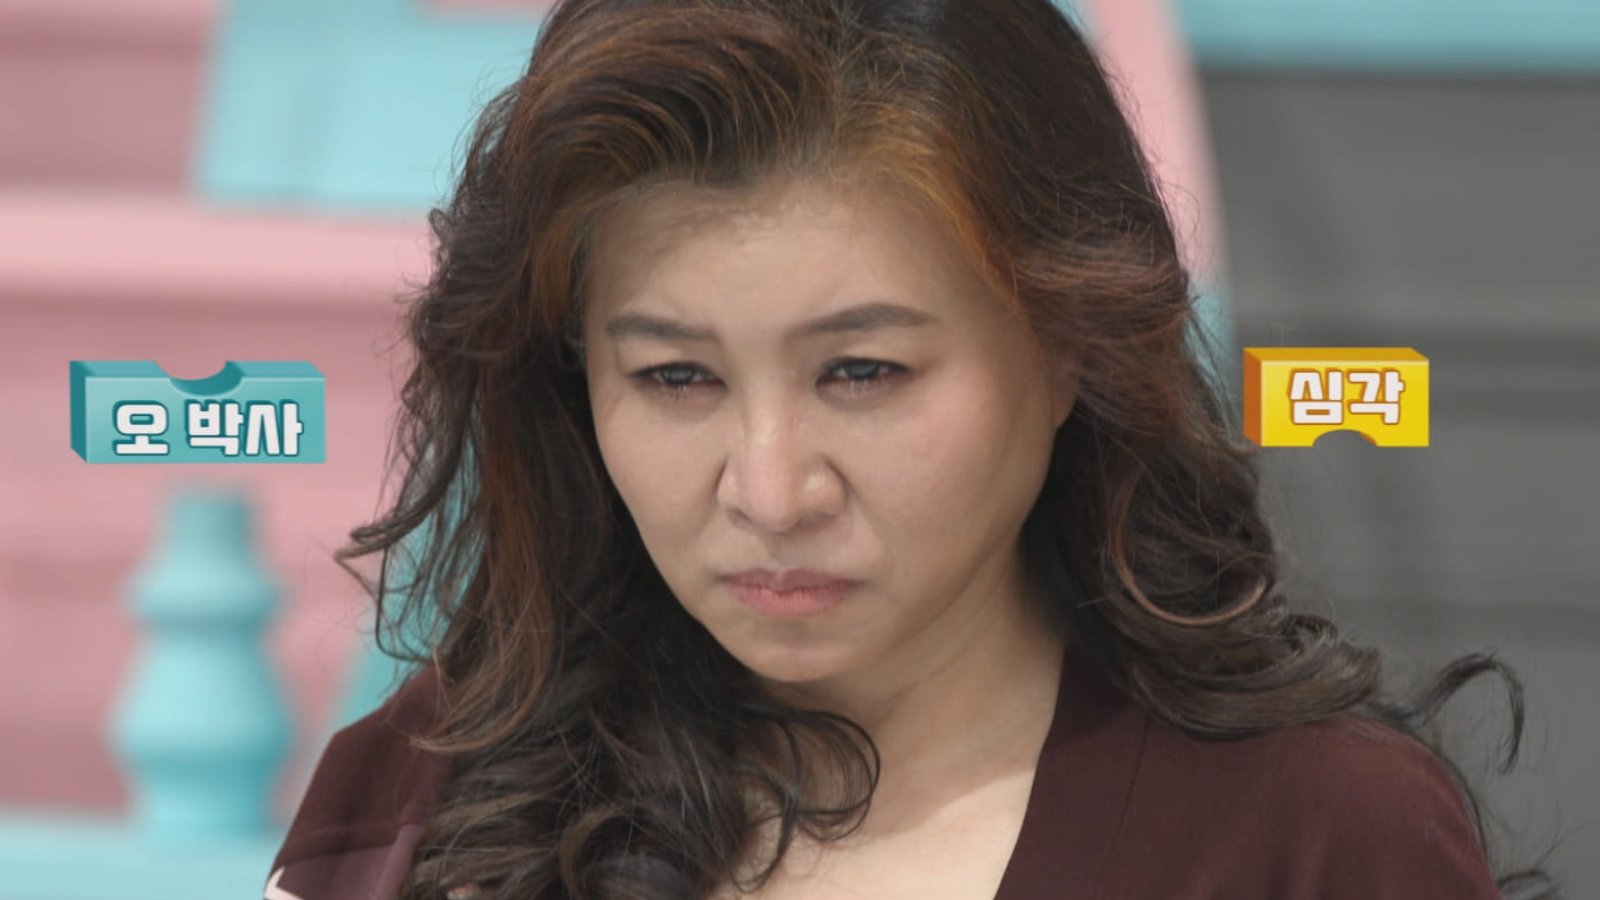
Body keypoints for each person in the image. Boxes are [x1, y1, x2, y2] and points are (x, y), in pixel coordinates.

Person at [264, 1, 1560, 898]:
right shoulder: (434, 798)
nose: (772, 491)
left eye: (864, 372)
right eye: (675, 378)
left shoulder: (1314, 837)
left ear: (1069, 347)